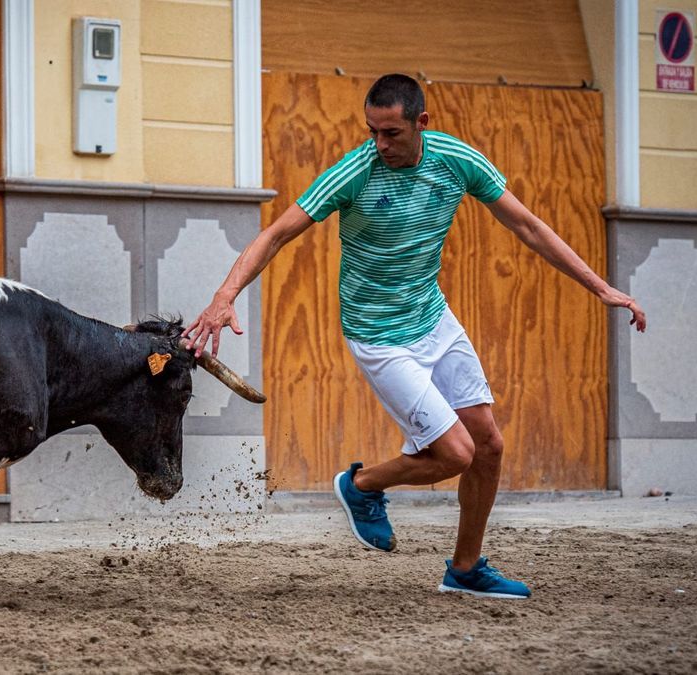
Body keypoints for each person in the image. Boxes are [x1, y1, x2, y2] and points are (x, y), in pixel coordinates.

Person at [183, 73, 647, 599]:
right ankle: (359, 486)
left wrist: (602, 287)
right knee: (455, 454)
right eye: (373, 132)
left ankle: (466, 569)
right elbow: (276, 234)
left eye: (392, 134)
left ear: (421, 122)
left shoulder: (456, 161)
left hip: (432, 319)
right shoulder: (355, 172)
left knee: (489, 445)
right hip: (378, 334)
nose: (380, 144)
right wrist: (226, 294)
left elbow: (529, 226)